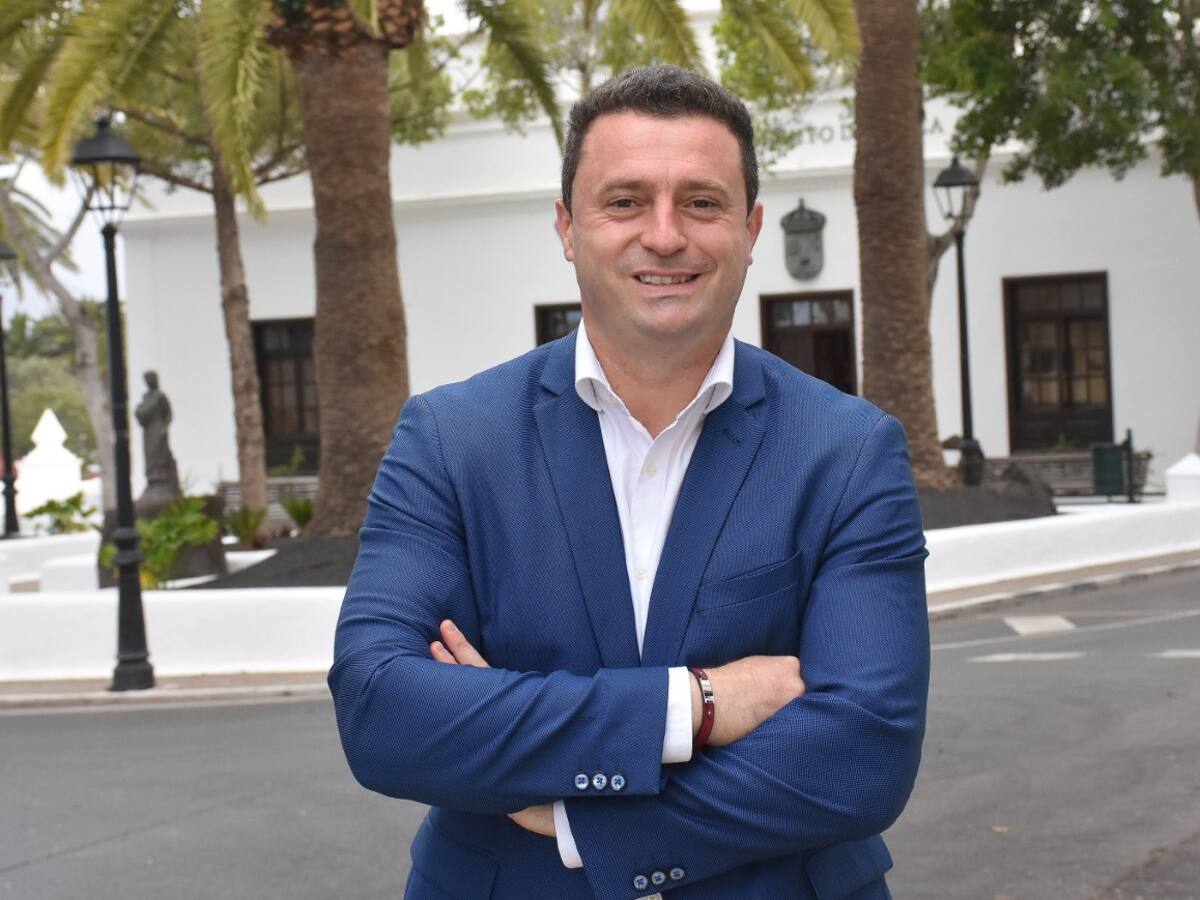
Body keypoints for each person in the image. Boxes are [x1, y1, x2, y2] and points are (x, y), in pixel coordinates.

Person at [329, 64, 929, 899]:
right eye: (625, 201)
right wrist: (697, 705)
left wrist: (578, 816)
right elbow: (381, 709)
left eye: (702, 202)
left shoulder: (847, 450)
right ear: (568, 228)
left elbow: (864, 754)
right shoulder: (450, 440)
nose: (665, 234)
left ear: (751, 228)